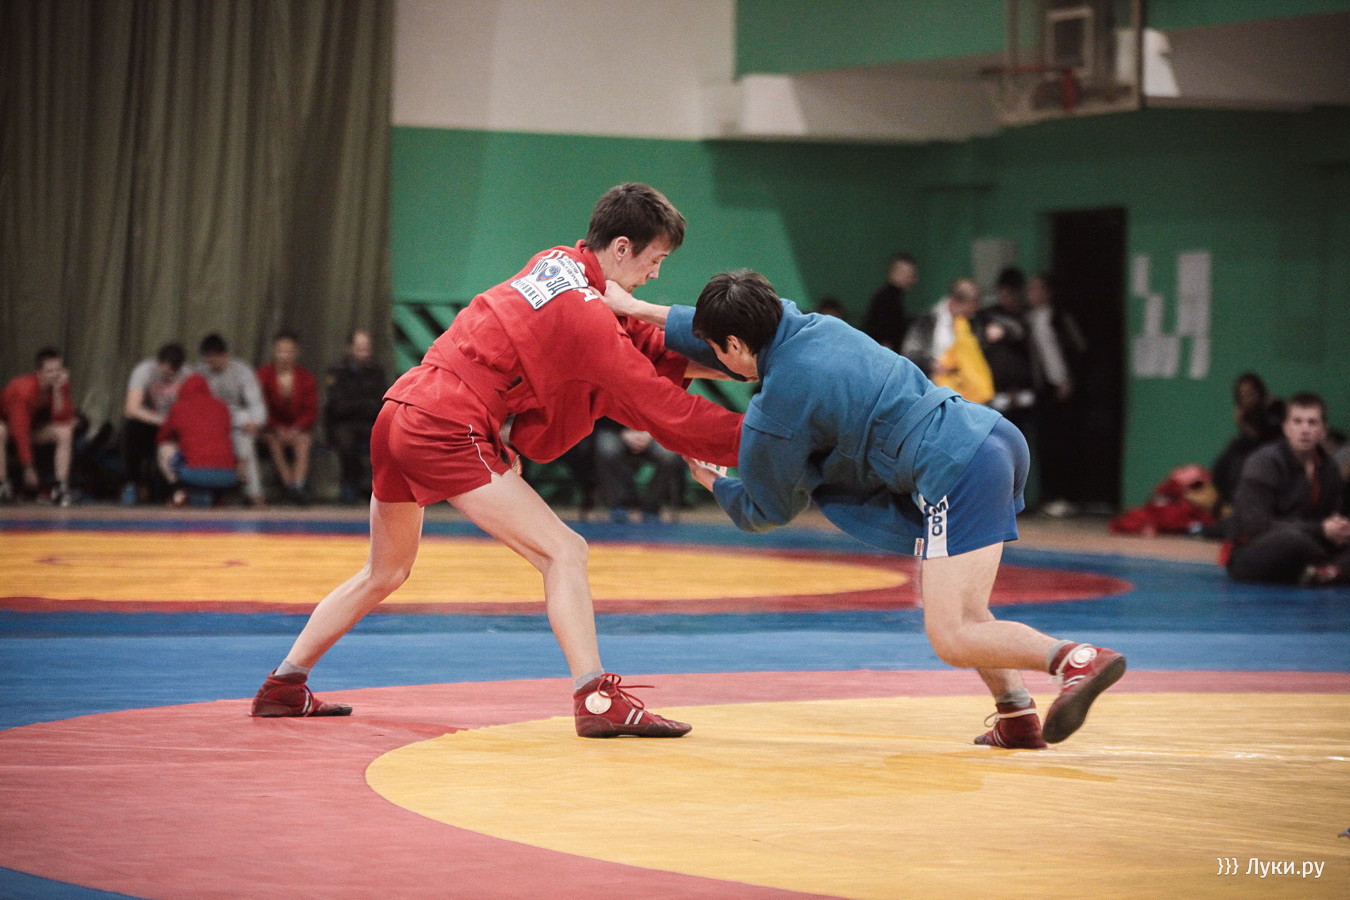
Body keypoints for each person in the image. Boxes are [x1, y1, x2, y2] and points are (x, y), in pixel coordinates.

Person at [249, 183, 742, 738]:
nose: (655, 275)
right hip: (445, 423)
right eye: (655, 260)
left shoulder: (557, 262)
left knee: (384, 571)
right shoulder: (584, 312)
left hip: (402, 409)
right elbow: (654, 399)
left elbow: (642, 344)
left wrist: (746, 365)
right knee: (565, 552)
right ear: (622, 248)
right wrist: (754, 441)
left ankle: (284, 685)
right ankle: (596, 698)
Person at [605, 270, 1127, 748]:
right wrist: (636, 308)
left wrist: (718, 485)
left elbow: (770, 508)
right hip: (991, 437)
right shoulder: (813, 325)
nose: (717, 361)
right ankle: (1015, 714)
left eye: (719, 351)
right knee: (965, 608)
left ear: (736, 345)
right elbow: (741, 322)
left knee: (951, 635)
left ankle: (1075, 660)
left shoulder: (779, 403)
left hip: (957, 467)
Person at [1226, 393, 1350, 585]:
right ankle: (1329, 569)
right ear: (1286, 428)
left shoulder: (1329, 469)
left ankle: (1323, 571)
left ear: (1323, 431)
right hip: (1258, 551)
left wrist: (1340, 529)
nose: (1305, 429)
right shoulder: (1263, 462)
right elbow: (1256, 527)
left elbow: (1330, 519)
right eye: (1297, 421)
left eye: (1312, 423)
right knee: (1292, 540)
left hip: (1310, 545)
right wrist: (1320, 529)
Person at [197, 333, 268, 506]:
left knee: (245, 436)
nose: (210, 364)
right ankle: (216, 493)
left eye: (214, 359)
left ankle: (254, 494)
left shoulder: (242, 371)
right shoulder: (199, 373)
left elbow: (257, 404)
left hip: (235, 421)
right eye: (207, 360)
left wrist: (256, 422)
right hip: (208, 423)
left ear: (225, 355)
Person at [1, 348, 76, 506]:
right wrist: (28, 467)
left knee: (65, 431)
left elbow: (63, 418)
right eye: (50, 371)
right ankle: (2, 485)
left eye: (58, 370)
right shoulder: (23, 389)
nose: (55, 375)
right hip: (9, 426)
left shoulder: (60, 385)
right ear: (39, 373)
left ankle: (60, 487)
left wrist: (58, 391)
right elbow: (19, 429)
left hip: (33, 428)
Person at [901, 277, 993, 404]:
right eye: (970, 307)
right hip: (933, 392)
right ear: (955, 302)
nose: (973, 312)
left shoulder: (972, 322)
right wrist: (931, 364)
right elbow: (910, 354)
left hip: (967, 394)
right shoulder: (928, 320)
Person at [120, 343, 190, 504]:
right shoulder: (144, 371)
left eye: (174, 374)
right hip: (153, 422)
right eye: (166, 372)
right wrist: (163, 421)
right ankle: (131, 483)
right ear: (159, 363)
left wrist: (174, 423)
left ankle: (177, 490)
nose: (169, 377)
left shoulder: (187, 375)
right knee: (132, 426)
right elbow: (131, 408)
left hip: (175, 426)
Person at [324, 329, 388, 504]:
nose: (363, 353)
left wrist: (360, 405)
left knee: (385, 441)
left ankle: (374, 486)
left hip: (369, 422)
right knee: (346, 442)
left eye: (366, 349)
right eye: (360, 348)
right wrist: (362, 405)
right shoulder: (337, 371)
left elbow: (380, 402)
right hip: (344, 423)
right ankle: (350, 484)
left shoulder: (376, 371)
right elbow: (338, 405)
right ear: (350, 348)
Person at [156, 373, 239, 506]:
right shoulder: (222, 406)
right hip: (228, 476)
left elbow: (162, 437)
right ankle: (218, 495)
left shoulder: (179, 407)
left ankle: (179, 492)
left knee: (164, 448)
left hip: (195, 475)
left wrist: (180, 441)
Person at [257, 331, 319, 504]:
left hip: (297, 429)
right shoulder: (263, 375)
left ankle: (298, 484)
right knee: (274, 441)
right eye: (281, 351)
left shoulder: (306, 378)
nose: (284, 356)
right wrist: (276, 427)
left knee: (304, 441)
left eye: (289, 351)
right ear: (274, 351)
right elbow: (260, 406)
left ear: (296, 353)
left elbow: (310, 410)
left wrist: (296, 428)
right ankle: (289, 484)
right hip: (271, 429)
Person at [1211, 372, 1284, 519]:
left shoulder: (1274, 406)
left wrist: (1242, 424)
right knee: (1223, 462)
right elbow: (1248, 440)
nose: (1247, 399)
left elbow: (1265, 439)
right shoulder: (1247, 412)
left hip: (1272, 451)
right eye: (1242, 396)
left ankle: (1238, 505)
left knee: (1241, 464)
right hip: (1252, 448)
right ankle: (1223, 504)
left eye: (1250, 393)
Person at [974, 266, 1037, 433]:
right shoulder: (988, 315)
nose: (1005, 297)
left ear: (1019, 293)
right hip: (997, 393)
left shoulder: (1028, 316)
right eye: (1002, 293)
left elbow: (1022, 335)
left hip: (1025, 391)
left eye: (1010, 293)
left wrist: (1005, 331)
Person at [593, 419, 686, 523]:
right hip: (616, 430)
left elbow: (670, 414)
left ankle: (651, 504)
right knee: (606, 448)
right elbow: (601, 415)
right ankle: (620, 503)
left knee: (669, 455)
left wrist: (651, 433)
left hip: (655, 432)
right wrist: (622, 431)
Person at [861, 252, 917, 351]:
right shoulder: (887, 300)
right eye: (909, 275)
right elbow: (883, 336)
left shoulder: (889, 298)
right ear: (895, 273)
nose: (912, 280)